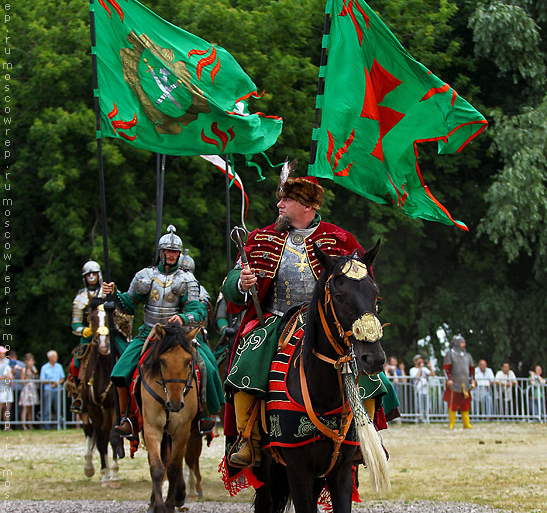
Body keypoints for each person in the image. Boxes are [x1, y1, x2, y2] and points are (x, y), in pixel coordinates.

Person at [222, 167, 396, 468]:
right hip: (277, 320)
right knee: (246, 362)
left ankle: (364, 435)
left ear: (307, 205)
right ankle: (247, 440)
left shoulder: (339, 239)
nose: (279, 205)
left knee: (369, 367)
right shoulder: (262, 238)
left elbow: (361, 283)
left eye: (286, 200)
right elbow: (231, 285)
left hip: (330, 324)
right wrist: (242, 282)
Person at [102, 225, 224, 439]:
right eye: (168, 251)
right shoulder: (145, 276)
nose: (171, 255)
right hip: (149, 333)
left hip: (177, 336)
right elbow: (129, 305)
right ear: (161, 253)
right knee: (120, 372)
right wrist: (114, 295)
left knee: (208, 367)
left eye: (175, 252)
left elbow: (198, 309)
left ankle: (205, 414)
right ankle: (127, 418)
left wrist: (184, 318)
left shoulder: (187, 280)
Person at [67, 260, 130, 413]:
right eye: (89, 274)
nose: (91, 277)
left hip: (110, 334)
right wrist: (83, 330)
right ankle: (79, 396)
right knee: (75, 364)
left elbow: (121, 310)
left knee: (126, 355)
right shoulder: (80, 298)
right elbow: (75, 323)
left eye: (94, 274)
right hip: (89, 337)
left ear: (99, 275)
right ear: (85, 277)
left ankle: (129, 393)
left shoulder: (107, 291)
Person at [442, 335, 475, 429]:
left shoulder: (467, 356)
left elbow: (472, 370)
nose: (464, 344)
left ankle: (466, 422)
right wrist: (449, 380)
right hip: (454, 383)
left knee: (465, 404)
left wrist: (473, 380)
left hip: (465, 383)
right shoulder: (450, 354)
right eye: (462, 342)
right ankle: (452, 422)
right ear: (456, 343)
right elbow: (446, 370)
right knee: (453, 404)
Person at [40, 350, 65, 429]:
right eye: (54, 356)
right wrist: (50, 382)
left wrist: (56, 383)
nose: (56, 358)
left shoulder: (59, 366)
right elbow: (42, 380)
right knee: (47, 408)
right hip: (48, 389)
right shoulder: (44, 367)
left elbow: (62, 378)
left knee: (58, 408)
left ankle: (59, 425)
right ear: (50, 358)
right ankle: (46, 425)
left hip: (57, 389)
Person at [409, 354, 433, 424]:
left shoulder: (424, 369)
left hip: (425, 389)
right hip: (418, 389)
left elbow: (433, 374)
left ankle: (426, 419)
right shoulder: (412, 369)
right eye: (418, 360)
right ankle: (418, 418)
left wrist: (430, 366)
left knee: (427, 404)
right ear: (415, 361)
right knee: (418, 404)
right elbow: (416, 377)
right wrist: (420, 368)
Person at [19, 352, 39, 429]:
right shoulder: (23, 370)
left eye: (32, 361)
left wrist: (35, 373)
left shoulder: (34, 369)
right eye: (29, 361)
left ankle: (30, 425)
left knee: (31, 408)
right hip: (26, 390)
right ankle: (24, 426)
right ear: (26, 362)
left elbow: (37, 378)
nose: (31, 363)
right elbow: (22, 382)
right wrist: (28, 376)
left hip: (32, 389)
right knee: (26, 408)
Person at [0, 345, 13, 430]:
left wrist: (11, 378)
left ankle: (6, 427)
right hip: (0, 389)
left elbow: (11, 374)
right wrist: (4, 377)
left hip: (7, 388)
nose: (4, 354)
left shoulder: (7, 362)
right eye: (3, 352)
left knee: (7, 408)